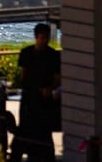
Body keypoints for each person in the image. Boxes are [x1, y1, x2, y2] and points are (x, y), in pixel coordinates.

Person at [10, 23, 61, 161]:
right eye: (43, 37)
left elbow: (57, 78)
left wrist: (49, 89)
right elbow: (23, 76)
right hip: (30, 96)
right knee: (27, 128)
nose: (45, 41)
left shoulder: (52, 55)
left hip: (43, 97)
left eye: (47, 38)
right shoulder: (27, 53)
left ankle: (39, 156)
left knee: (43, 129)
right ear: (36, 37)